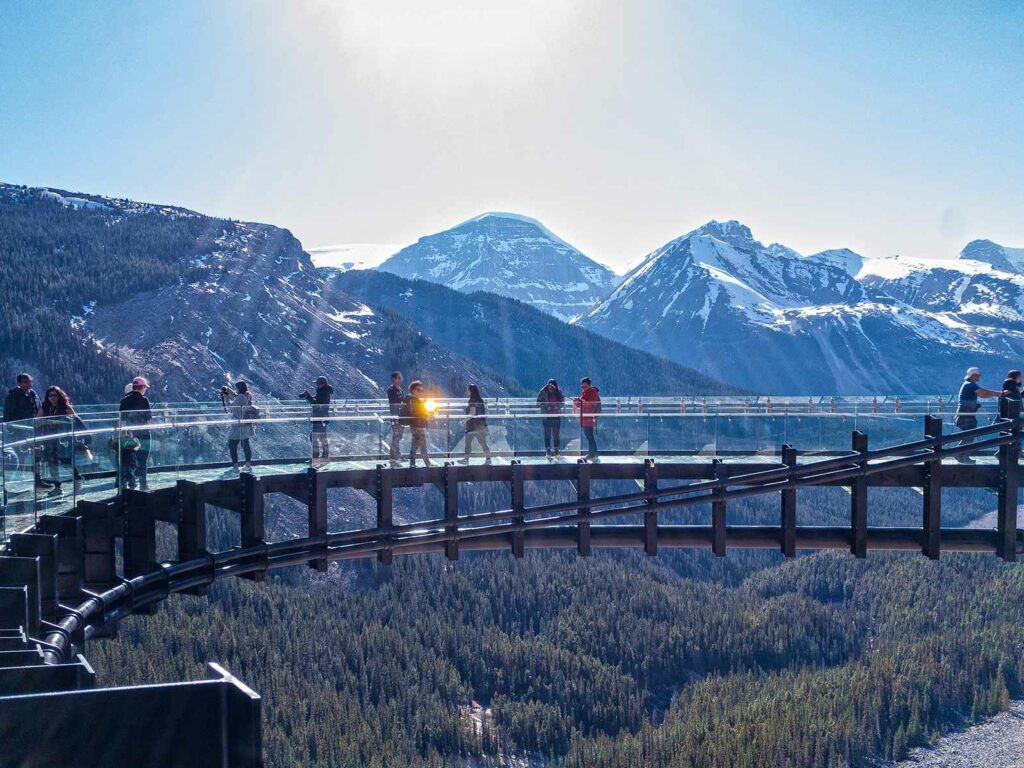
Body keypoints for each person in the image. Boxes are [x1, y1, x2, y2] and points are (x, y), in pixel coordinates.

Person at [2, 372, 52, 490]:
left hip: (34, 430)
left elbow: (39, 409)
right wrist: (12, 429)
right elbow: (8, 415)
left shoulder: (33, 394)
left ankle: (37, 480)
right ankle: (16, 484)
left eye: (29, 381)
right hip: (20, 431)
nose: (28, 384)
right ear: (19, 383)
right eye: (25, 382)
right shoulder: (13, 396)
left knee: (37, 456)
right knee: (21, 457)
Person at [38, 386, 87, 496]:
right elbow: (37, 421)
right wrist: (45, 423)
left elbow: (76, 421)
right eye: (50, 395)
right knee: (52, 463)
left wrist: (59, 422)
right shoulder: (45, 408)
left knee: (65, 461)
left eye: (55, 395)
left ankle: (77, 479)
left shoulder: (66, 408)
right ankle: (57, 487)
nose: (52, 398)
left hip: (63, 440)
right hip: (49, 440)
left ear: (59, 396)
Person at [955, 367, 1000, 463]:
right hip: (966, 415)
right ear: (974, 375)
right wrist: (998, 394)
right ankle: (960, 455)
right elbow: (983, 393)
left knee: (968, 436)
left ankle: (961, 455)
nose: (979, 377)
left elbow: (983, 393)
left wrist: (996, 393)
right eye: (978, 375)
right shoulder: (970, 385)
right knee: (969, 435)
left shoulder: (968, 384)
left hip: (966, 414)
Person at [119, 377, 153, 489]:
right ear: (142, 387)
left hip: (129, 434)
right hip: (143, 434)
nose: (145, 390)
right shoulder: (144, 400)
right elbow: (148, 419)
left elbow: (122, 420)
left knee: (128, 460)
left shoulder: (123, 401)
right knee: (142, 460)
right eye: (145, 388)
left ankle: (128, 484)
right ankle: (143, 484)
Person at [222, 381, 256, 472]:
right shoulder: (247, 395)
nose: (235, 390)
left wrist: (225, 397)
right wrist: (229, 391)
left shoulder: (241, 397)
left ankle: (235, 466)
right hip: (246, 424)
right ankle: (248, 465)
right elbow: (236, 397)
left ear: (239, 388)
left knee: (232, 444)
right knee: (246, 444)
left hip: (239, 425)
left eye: (236, 388)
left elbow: (231, 405)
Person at [300, 376, 334, 462]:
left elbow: (316, 403)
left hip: (320, 418)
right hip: (321, 418)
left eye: (318, 383)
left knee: (314, 437)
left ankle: (316, 456)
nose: (317, 385)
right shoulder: (324, 392)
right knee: (321, 437)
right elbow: (316, 400)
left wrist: (308, 396)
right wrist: (308, 397)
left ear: (323, 384)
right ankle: (324, 456)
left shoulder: (324, 393)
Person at [458, 384, 491, 465]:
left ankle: (466, 460)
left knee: (468, 442)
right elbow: (486, 411)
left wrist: (464, 421)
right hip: (481, 425)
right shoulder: (480, 400)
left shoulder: (472, 400)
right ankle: (488, 460)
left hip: (473, 426)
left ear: (471, 391)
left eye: (468, 390)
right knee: (483, 443)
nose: (467, 391)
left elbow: (472, 413)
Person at [573, 377, 602, 461]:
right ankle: (593, 453)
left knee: (589, 436)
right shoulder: (586, 392)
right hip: (586, 417)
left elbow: (591, 405)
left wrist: (580, 401)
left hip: (589, 417)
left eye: (585, 387)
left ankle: (592, 453)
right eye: (582, 387)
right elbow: (582, 404)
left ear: (589, 385)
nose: (583, 388)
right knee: (589, 436)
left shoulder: (592, 392)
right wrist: (578, 401)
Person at [536, 379, 565, 460]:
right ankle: (548, 451)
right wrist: (546, 407)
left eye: (553, 386)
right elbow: (538, 402)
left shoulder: (558, 392)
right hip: (547, 416)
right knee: (547, 434)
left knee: (556, 435)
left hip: (556, 416)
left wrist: (557, 406)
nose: (551, 388)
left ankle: (556, 451)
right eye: (550, 385)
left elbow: (562, 402)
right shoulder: (543, 391)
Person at [406, 380, 431, 468]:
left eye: (421, 390)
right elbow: (415, 412)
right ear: (413, 390)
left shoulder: (413, 400)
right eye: (418, 390)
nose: (420, 392)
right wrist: (425, 411)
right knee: (422, 445)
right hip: (417, 425)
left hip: (416, 425)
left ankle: (412, 463)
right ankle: (427, 463)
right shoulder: (413, 400)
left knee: (415, 444)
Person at [387, 371, 405, 467]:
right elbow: (394, 403)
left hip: (401, 416)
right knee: (396, 436)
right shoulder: (391, 390)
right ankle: (394, 456)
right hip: (396, 417)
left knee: (398, 437)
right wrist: (395, 417)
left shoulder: (400, 390)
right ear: (394, 379)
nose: (400, 380)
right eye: (399, 378)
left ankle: (395, 455)